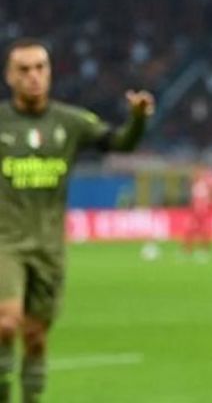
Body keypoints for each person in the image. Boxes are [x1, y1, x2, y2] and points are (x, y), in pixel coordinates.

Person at [0, 39, 154, 403]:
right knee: (6, 323)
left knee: (35, 337)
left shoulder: (70, 122)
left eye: (40, 68)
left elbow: (121, 144)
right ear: (9, 76)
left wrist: (137, 120)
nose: (33, 76)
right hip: (5, 243)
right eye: (24, 69)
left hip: (49, 247)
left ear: (50, 73)